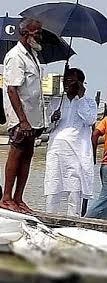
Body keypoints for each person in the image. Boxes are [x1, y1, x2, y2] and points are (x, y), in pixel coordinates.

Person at [1, 18, 45, 213]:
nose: (39, 36)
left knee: (27, 156)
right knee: (16, 154)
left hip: (33, 118)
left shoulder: (33, 56)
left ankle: (19, 198)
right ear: (26, 33)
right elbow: (12, 90)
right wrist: (23, 120)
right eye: (37, 33)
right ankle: (6, 197)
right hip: (21, 118)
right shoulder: (16, 56)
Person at [43, 68, 97, 216]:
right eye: (65, 80)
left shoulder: (89, 102)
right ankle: (50, 217)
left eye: (71, 81)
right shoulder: (56, 101)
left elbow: (90, 119)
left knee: (75, 187)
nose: (66, 84)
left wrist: (80, 97)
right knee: (53, 184)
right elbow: (46, 128)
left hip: (76, 151)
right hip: (56, 149)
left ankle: (74, 220)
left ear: (80, 83)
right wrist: (53, 119)